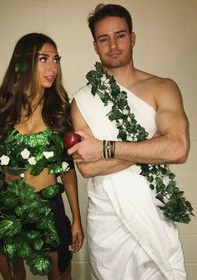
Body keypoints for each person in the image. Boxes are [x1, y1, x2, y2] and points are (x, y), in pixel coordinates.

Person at [68, 3, 192, 280]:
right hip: (108, 220)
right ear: (95, 46)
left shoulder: (163, 87)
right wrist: (151, 146)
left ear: (132, 38)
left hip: (153, 213)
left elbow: (178, 149)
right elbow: (87, 168)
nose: (113, 45)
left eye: (120, 35)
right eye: (104, 39)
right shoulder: (81, 102)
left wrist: (104, 148)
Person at [0, 33, 84, 280]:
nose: (53, 67)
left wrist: (75, 219)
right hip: (7, 209)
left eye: (56, 59)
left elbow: (67, 170)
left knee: (61, 276)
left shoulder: (61, 111)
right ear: (22, 64)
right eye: (43, 59)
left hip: (49, 209)